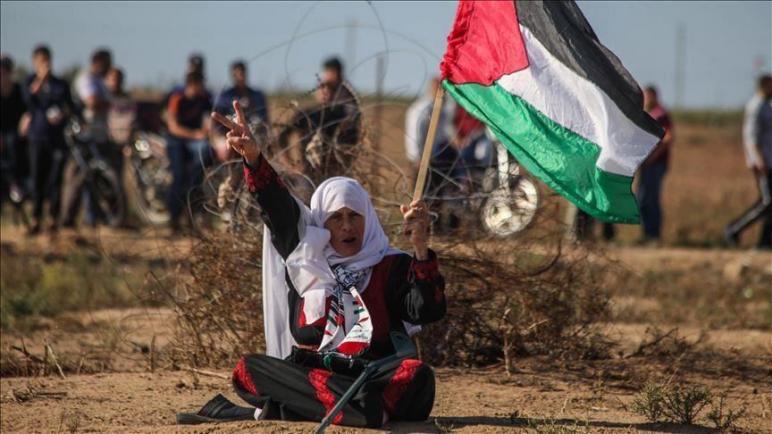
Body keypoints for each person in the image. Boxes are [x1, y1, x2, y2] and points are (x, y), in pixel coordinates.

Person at [178, 102, 447, 428]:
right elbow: (277, 207)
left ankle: (319, 408)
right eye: (336, 218)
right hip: (312, 373)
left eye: (354, 216)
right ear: (322, 222)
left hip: (371, 374)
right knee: (247, 370)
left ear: (368, 218)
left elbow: (427, 311)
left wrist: (420, 248)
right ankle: (360, 410)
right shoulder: (305, 257)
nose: (346, 226)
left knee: (416, 376)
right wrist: (253, 158)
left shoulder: (391, 264)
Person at [21, 44, 75, 235]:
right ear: (34, 62)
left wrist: (63, 114)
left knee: (56, 179)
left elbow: (71, 107)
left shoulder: (61, 84)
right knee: (37, 179)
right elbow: (28, 101)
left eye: (47, 60)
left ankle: (53, 218)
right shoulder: (29, 82)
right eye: (41, 61)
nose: (45, 64)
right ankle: (36, 218)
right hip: (37, 137)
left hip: (57, 138)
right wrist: (41, 80)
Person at [60, 48, 114, 228]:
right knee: (77, 176)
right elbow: (91, 101)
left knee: (93, 177)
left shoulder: (100, 81)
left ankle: (93, 218)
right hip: (83, 137)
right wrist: (106, 103)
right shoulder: (86, 79)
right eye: (108, 63)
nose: (110, 67)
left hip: (98, 135)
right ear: (99, 62)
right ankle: (67, 219)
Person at [212, 60, 269, 209]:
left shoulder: (256, 96)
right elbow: (216, 123)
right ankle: (230, 186)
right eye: (236, 74)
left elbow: (264, 120)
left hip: (254, 139)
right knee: (231, 164)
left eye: (242, 73)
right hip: (230, 139)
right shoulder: (225, 96)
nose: (240, 77)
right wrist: (220, 138)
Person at [725, 75, 772, 249]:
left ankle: (765, 242)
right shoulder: (756, 106)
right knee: (767, 201)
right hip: (762, 162)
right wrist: (759, 160)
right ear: (765, 85)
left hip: (769, 160)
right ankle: (734, 229)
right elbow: (751, 137)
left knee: (770, 203)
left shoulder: (766, 105)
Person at [165, 70, 212, 232]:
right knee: (179, 177)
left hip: (195, 141)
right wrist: (195, 134)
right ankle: (174, 218)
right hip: (176, 140)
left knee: (197, 177)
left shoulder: (204, 99)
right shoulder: (177, 98)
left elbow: (207, 122)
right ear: (192, 84)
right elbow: (173, 127)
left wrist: (207, 132)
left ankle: (192, 214)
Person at [637, 85, 673, 243]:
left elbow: (668, 138)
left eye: (647, 96)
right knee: (643, 199)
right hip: (646, 164)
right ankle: (647, 234)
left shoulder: (660, 114)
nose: (645, 100)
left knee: (649, 199)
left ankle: (653, 235)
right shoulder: (649, 114)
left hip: (655, 164)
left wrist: (652, 157)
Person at [0, 54, 28, 207]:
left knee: (13, 141)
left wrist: (26, 119)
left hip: (14, 132)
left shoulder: (18, 89)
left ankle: (16, 183)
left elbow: (28, 109)